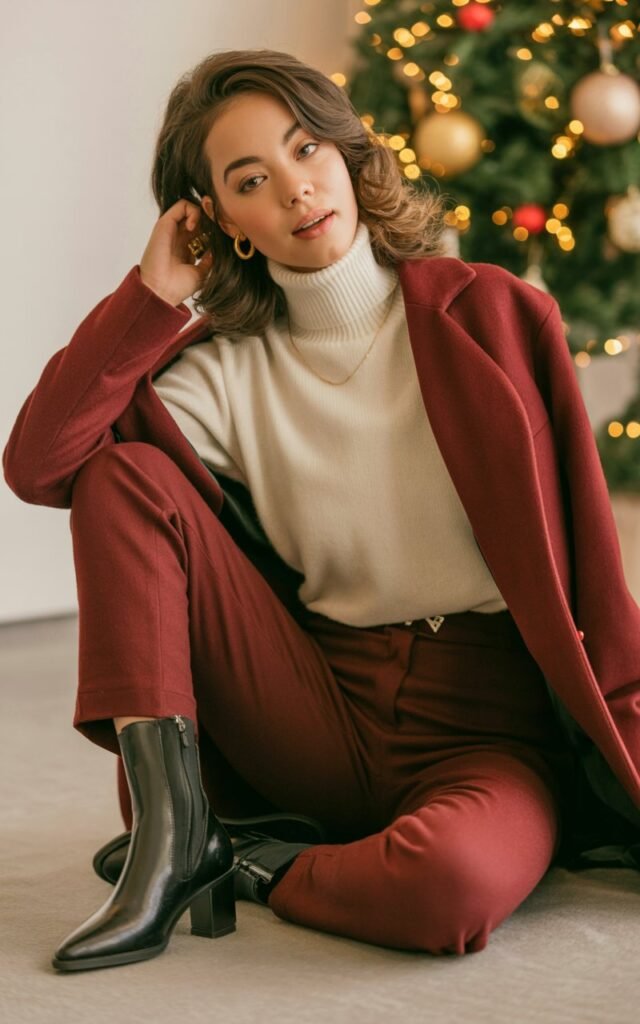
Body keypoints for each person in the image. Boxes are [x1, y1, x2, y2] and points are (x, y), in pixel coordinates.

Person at [4, 48, 640, 974]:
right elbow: (40, 462)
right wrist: (151, 297)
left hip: (483, 729)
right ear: (222, 221)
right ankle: (177, 838)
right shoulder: (222, 373)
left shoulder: (495, 317)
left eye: (308, 149)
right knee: (122, 475)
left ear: (348, 153)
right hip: (312, 703)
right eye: (254, 179)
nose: (299, 189)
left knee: (448, 887)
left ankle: (249, 864)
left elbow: (591, 565)